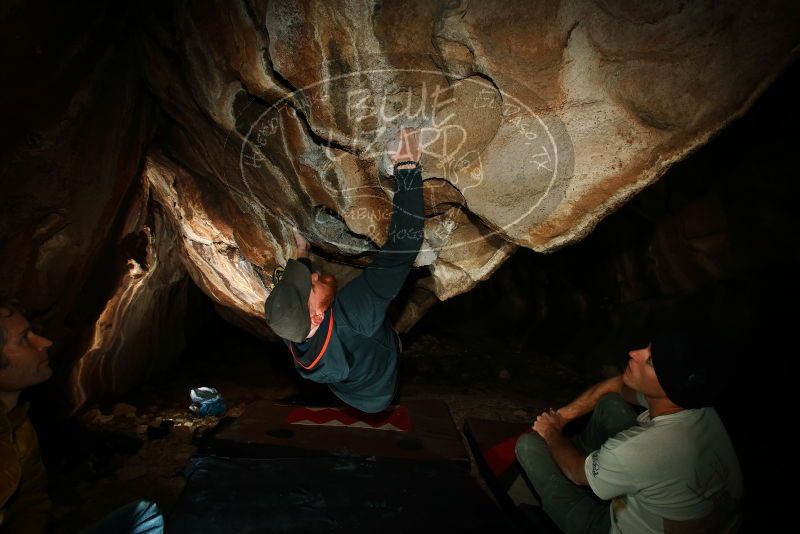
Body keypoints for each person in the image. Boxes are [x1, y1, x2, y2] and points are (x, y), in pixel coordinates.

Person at [515, 330, 743, 533]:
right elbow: (617, 385)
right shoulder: (696, 408)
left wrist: (552, 430)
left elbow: (575, 472)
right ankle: (599, 469)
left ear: (669, 385)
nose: (635, 353)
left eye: (651, 361)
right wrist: (564, 416)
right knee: (611, 403)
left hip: (610, 526)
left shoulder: (650, 449)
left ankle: (591, 475)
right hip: (683, 509)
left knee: (530, 446)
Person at [264, 128, 424, 413]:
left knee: (336, 290)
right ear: (316, 316)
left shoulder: (290, 328)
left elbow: (291, 295)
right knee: (384, 332)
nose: (313, 275)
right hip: (380, 390)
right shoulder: (354, 312)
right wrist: (407, 166)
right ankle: (391, 349)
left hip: (345, 388)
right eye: (311, 285)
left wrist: (301, 252)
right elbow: (403, 248)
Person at [0, 300, 164, 533]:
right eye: (24, 339)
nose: (45, 343)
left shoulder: (18, 422)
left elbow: (30, 502)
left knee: (145, 515)